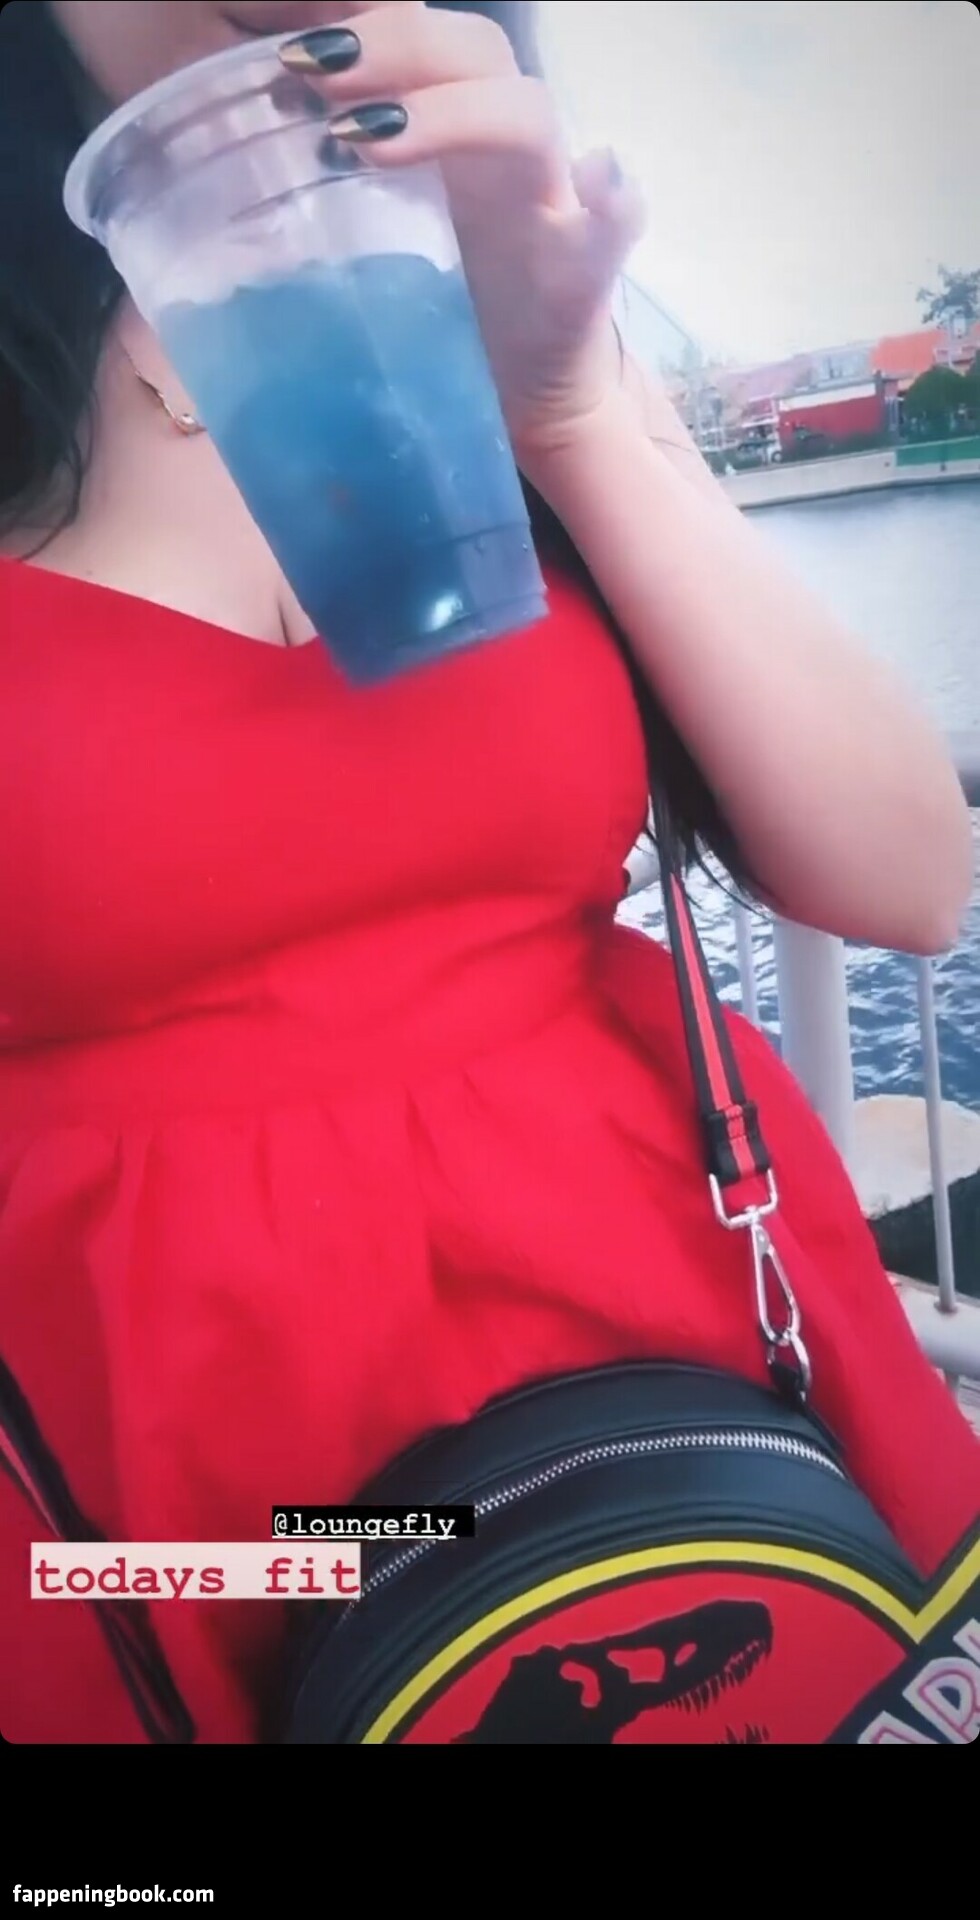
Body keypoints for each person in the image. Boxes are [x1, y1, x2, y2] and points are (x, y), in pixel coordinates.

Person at [0, 0, 976, 1746]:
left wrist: (569, 408)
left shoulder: (475, 268)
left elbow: (911, 878)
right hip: (180, 1484)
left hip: (684, 1342)